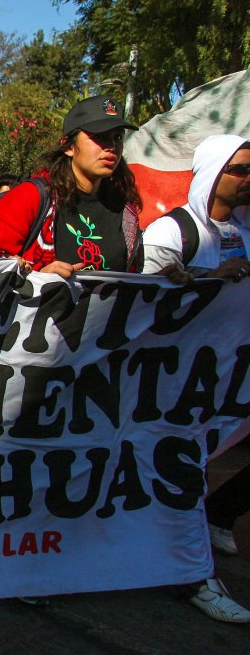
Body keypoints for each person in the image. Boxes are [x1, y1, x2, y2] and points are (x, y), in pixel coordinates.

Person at [142, 134, 250, 623]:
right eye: (239, 170)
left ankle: (218, 518)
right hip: (175, 384)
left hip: (231, 375)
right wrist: (210, 281)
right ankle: (191, 574)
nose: (247, 179)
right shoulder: (172, 232)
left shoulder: (245, 230)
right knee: (181, 471)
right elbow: (142, 306)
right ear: (213, 172)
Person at [0, 96, 143, 277]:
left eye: (117, 137)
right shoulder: (31, 196)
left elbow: (133, 277)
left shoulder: (125, 210)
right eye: (99, 137)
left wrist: (161, 279)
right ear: (68, 146)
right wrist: (38, 275)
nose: (111, 146)